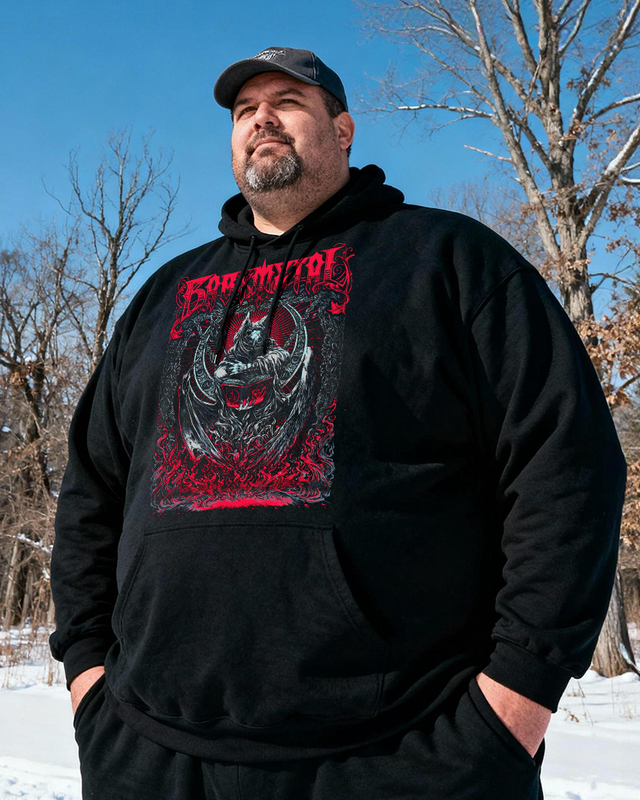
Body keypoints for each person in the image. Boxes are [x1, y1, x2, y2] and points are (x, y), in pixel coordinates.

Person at [49, 46, 627, 800]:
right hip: (150, 751)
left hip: (404, 753)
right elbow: (91, 492)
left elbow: (566, 466)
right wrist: (88, 678)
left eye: (287, 101)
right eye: (244, 109)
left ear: (344, 130)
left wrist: (516, 698)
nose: (261, 118)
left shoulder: (449, 262)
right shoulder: (163, 296)